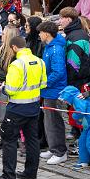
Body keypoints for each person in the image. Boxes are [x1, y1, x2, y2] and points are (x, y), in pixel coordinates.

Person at [0, 36, 46, 179]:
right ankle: (31, 172)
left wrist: (3, 87)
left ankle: (8, 175)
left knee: (9, 140)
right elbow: (43, 84)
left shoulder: (17, 65)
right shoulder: (40, 61)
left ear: (14, 47)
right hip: (34, 106)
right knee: (32, 139)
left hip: (17, 108)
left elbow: (11, 89)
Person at [36, 21, 68, 165]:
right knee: (48, 121)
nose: (39, 35)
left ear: (47, 33)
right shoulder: (49, 47)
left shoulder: (56, 49)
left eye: (40, 32)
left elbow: (58, 72)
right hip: (48, 90)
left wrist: (44, 83)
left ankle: (60, 151)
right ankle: (53, 147)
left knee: (54, 122)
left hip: (54, 91)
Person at [59, 86, 90, 175]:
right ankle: (84, 160)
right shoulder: (77, 98)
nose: (64, 101)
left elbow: (80, 111)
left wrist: (74, 116)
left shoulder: (77, 99)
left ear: (68, 95)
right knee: (82, 141)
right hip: (89, 123)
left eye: (64, 98)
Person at [58, 7, 90, 90]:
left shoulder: (74, 38)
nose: (59, 21)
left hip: (75, 82)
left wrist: (69, 83)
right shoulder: (80, 32)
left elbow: (73, 64)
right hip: (82, 78)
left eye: (62, 18)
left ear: (69, 19)